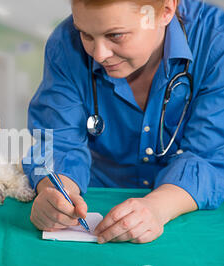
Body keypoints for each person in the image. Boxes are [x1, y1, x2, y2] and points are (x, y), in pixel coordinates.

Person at [22, 0, 224, 244]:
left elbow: (211, 156)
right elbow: (59, 141)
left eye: (115, 35)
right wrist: (56, 193)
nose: (99, 54)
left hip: (186, 210)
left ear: (166, 11)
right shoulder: (65, 43)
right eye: (86, 35)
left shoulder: (215, 39)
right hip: (97, 196)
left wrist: (157, 208)